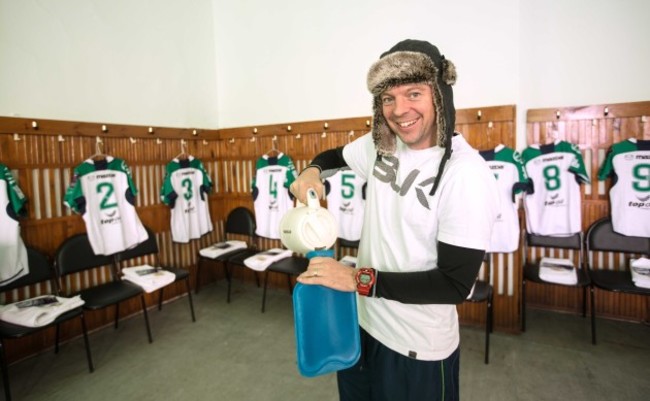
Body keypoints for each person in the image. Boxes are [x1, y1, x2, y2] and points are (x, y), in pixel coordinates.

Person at [289, 39, 499, 401]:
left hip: (417, 348)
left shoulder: (466, 174)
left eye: (413, 93)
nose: (399, 109)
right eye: (388, 98)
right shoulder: (381, 145)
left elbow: (454, 285)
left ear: (439, 94)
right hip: (363, 328)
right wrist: (312, 172)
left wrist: (356, 278)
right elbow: (334, 155)